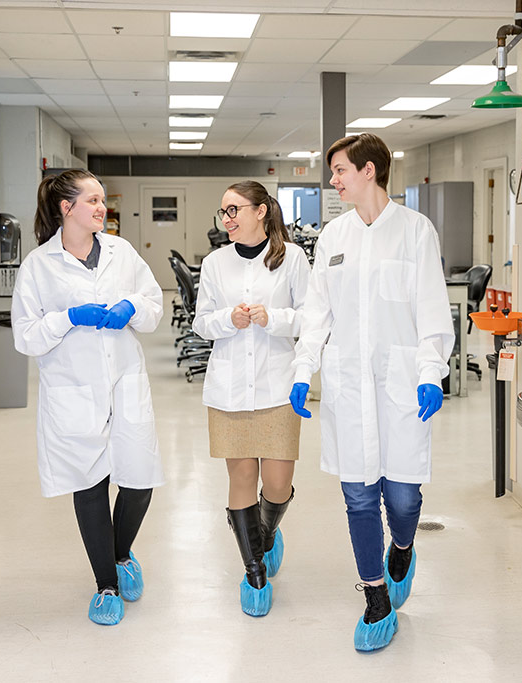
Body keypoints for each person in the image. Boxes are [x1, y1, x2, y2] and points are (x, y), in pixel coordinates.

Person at [288, 133, 454, 651]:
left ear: (368, 171)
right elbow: (318, 312)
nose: (333, 181)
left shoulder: (415, 232)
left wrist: (431, 369)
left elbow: (431, 308)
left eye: (339, 171)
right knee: (358, 497)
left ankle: (402, 548)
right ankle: (375, 597)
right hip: (348, 385)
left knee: (402, 498)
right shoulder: (333, 237)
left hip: (401, 383)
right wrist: (302, 367)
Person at [12, 169, 164, 626]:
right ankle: (106, 584)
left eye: (102, 201)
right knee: (89, 484)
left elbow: (153, 305)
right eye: (93, 201)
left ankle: (120, 554)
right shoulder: (39, 265)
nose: (102, 208)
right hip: (72, 388)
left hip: (124, 380)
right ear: (67, 208)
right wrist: (68, 318)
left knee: (139, 480)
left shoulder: (122, 252)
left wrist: (131, 308)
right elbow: (26, 337)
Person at [193, 181, 311, 617]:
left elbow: (312, 318)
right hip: (228, 388)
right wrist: (229, 319)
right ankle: (254, 568)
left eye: (234, 210)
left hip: (278, 384)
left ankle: (265, 532)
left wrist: (272, 317)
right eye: (222, 212)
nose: (227, 219)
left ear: (261, 211)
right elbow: (201, 322)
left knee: (277, 485)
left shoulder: (292, 258)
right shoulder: (214, 263)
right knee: (241, 477)